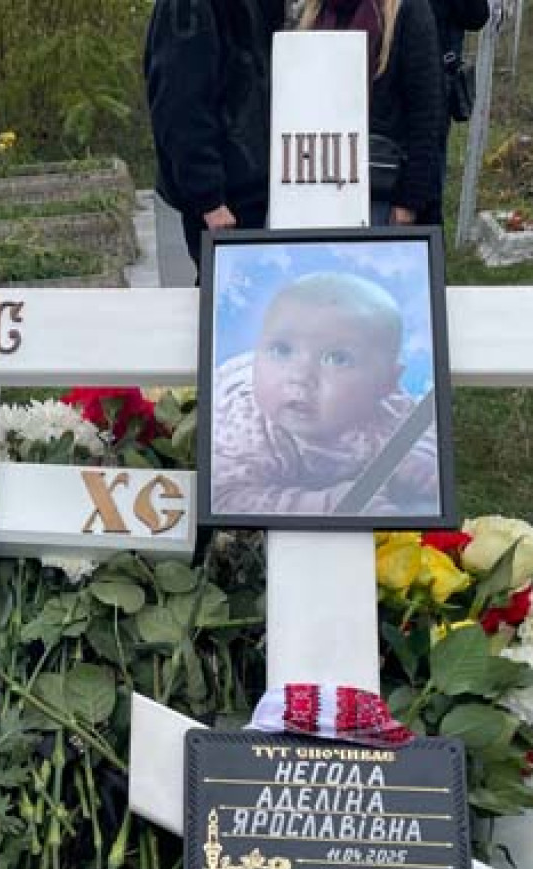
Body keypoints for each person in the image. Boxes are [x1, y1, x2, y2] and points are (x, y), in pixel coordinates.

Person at [211, 272, 439, 517]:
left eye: (338, 358)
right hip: (234, 391)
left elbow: (426, 422)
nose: (300, 376)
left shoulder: (387, 411)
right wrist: (322, 504)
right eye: (281, 349)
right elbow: (224, 497)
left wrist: (421, 455)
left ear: (386, 383)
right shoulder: (248, 431)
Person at [144, 0, 288, 274]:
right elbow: (180, 105)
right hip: (226, 203)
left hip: (259, 192)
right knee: (229, 289)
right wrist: (209, 200)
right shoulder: (187, 8)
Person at [297, 0, 443, 227]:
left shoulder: (408, 11)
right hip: (319, 182)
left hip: (382, 190)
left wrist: (410, 200)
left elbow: (426, 115)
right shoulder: (313, 13)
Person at [424, 0, 490, 224]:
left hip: (436, 79)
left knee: (429, 170)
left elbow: (476, 16)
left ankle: (427, 232)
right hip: (393, 73)